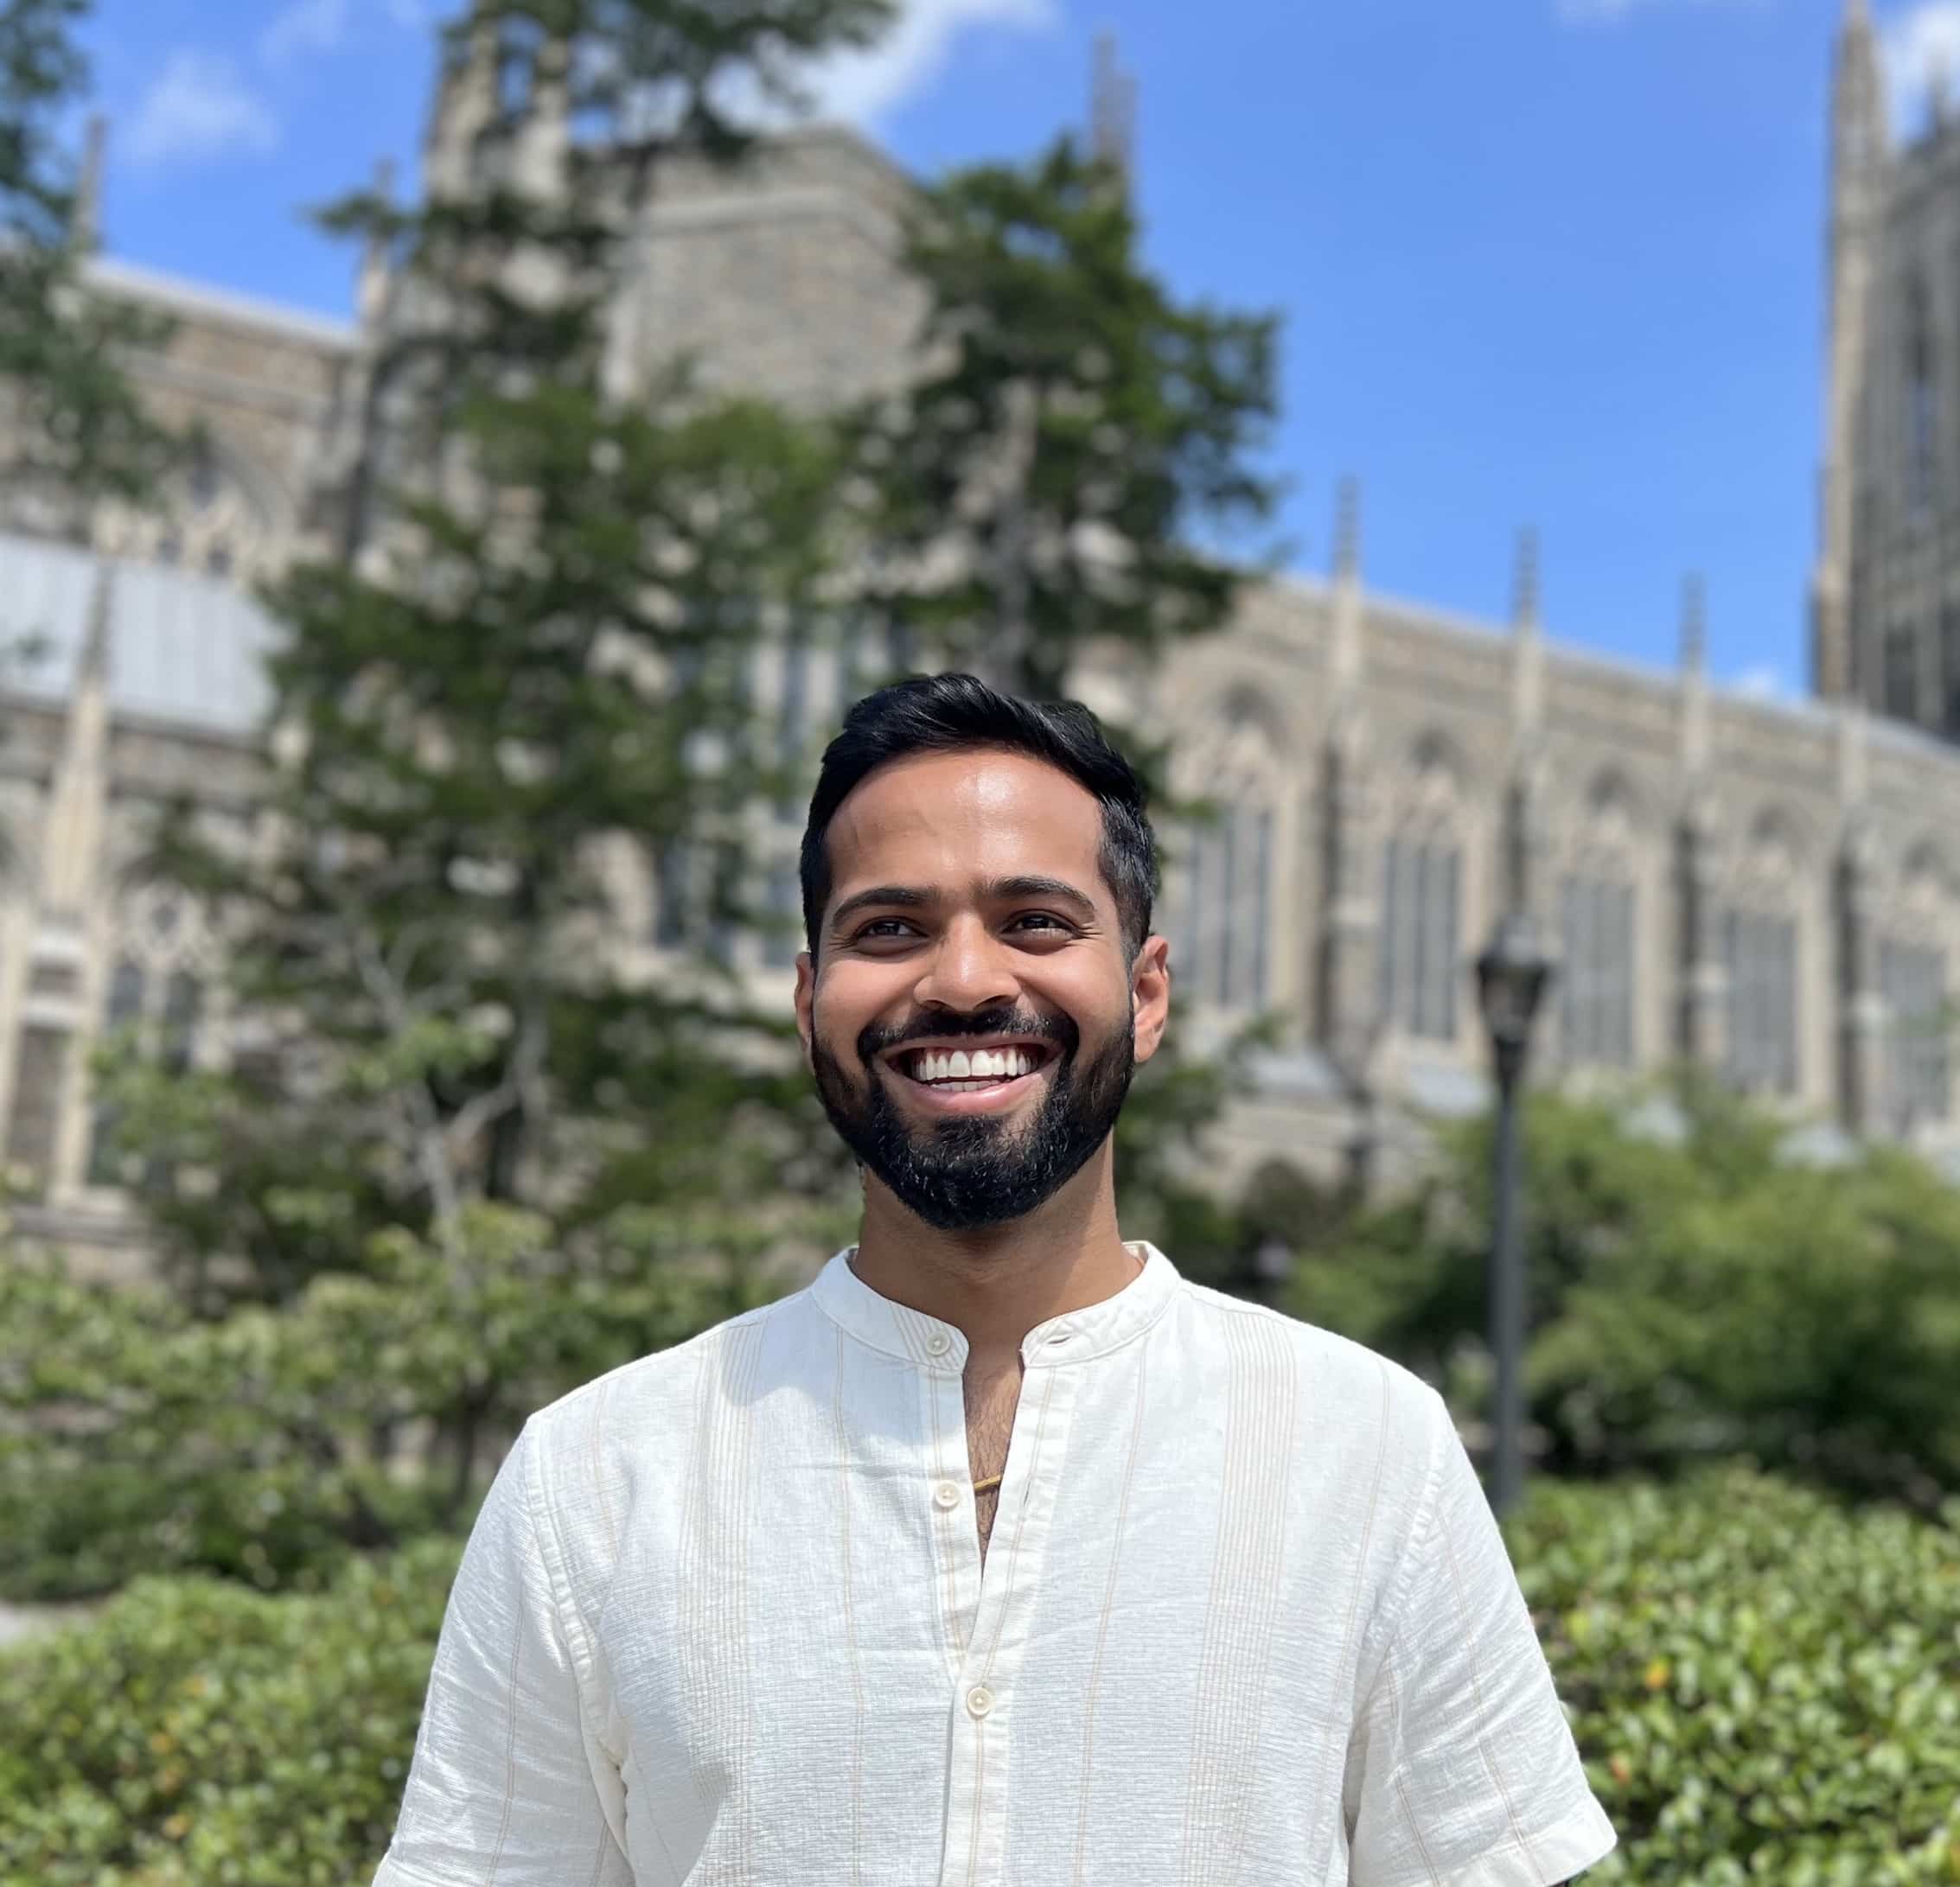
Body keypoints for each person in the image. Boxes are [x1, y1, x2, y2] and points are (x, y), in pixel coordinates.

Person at [371, 673, 1617, 1886]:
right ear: (809, 1001)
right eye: (889, 929)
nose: (963, 980)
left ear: (1145, 991)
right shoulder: (592, 1478)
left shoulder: (1368, 1450)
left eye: (1034, 921)